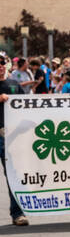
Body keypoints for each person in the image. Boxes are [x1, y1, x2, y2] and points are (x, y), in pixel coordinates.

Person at [0, 57, 28, 225]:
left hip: (8, 136)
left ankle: (17, 214)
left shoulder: (14, 85)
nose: (0, 67)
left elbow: (26, 106)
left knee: (12, 175)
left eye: (2, 63)